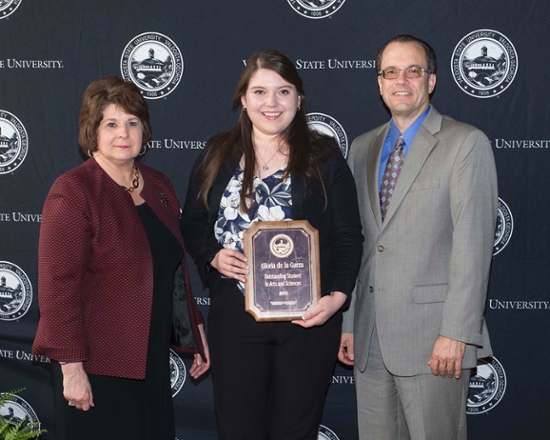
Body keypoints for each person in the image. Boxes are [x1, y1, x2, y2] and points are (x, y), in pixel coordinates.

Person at [181, 49, 363, 440]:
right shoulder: (217, 153)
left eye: (283, 92)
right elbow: (193, 221)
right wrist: (211, 256)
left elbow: (348, 235)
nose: (272, 103)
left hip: (309, 319)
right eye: (260, 92)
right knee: (238, 428)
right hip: (236, 315)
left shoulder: (324, 156)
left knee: (295, 431)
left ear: (298, 99)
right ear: (243, 99)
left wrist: (337, 298)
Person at [32, 76, 210, 440]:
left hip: (151, 360)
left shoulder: (158, 184)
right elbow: (58, 286)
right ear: (91, 131)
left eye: (132, 122)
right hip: (96, 364)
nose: (123, 132)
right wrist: (71, 367)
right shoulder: (74, 190)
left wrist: (197, 331)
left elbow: (172, 270)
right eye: (110, 123)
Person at [338, 34, 498, 440]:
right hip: (370, 341)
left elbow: (473, 245)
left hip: (435, 342)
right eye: (391, 72)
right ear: (379, 83)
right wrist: (348, 322)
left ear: (431, 80)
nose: (401, 80)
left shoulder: (465, 144)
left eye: (414, 70)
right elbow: (356, 241)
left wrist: (457, 333)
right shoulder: (361, 149)